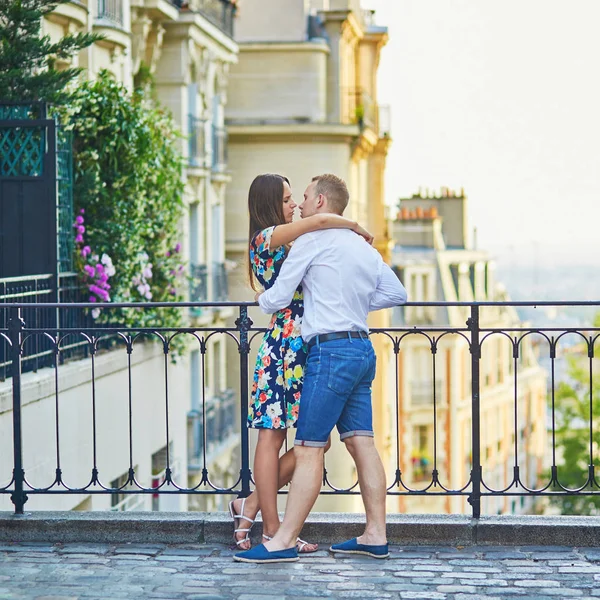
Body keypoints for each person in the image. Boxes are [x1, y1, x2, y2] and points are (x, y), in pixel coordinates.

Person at [233, 174, 407, 564]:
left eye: (302, 197)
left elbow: (276, 296)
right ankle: (367, 533)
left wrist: (268, 301)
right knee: (352, 442)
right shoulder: (340, 244)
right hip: (344, 347)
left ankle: (279, 539)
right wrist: (353, 303)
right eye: (288, 199)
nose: (297, 204)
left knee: (310, 446)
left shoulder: (310, 242)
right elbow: (398, 294)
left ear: (321, 200)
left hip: (322, 350)